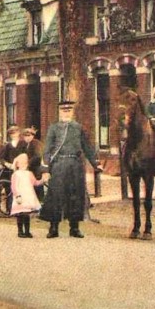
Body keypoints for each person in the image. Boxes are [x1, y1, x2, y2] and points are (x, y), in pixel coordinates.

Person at [39, 100, 102, 238]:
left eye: (69, 111)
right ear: (59, 112)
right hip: (59, 164)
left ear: (72, 112)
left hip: (76, 165)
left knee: (76, 196)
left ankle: (74, 228)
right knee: (56, 196)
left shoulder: (78, 128)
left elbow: (87, 147)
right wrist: (45, 169)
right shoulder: (53, 128)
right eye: (63, 110)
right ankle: (53, 228)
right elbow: (47, 149)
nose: (66, 113)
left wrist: (96, 163)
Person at [11, 152, 44, 238]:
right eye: (22, 163)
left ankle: (27, 231)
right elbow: (13, 186)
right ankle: (20, 231)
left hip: (28, 196)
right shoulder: (16, 174)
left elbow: (35, 183)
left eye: (25, 163)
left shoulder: (29, 174)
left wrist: (43, 180)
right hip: (21, 197)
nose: (24, 165)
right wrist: (17, 195)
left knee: (27, 215)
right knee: (20, 214)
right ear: (18, 164)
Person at [22, 127, 45, 201]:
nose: (27, 138)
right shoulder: (26, 145)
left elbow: (37, 155)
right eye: (25, 136)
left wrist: (28, 163)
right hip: (30, 168)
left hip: (36, 167)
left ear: (32, 136)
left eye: (29, 136)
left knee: (37, 185)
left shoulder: (36, 143)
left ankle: (40, 202)